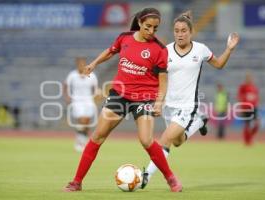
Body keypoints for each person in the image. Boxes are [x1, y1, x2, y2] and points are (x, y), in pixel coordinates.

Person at [63, 8, 182, 192]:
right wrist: (94, 64)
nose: (151, 31)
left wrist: (159, 102)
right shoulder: (124, 38)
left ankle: (171, 179)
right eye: (148, 27)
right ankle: (76, 182)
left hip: (144, 98)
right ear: (140, 23)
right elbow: (110, 51)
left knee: (146, 140)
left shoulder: (159, 50)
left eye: (155, 28)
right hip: (119, 95)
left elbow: (163, 80)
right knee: (97, 136)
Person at [142, 10, 240, 188]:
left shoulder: (200, 49)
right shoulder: (165, 51)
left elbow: (218, 64)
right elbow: (158, 78)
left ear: (191, 32)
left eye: (183, 31)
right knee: (178, 141)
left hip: (188, 106)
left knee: (164, 141)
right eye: (177, 30)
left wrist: (229, 49)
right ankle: (200, 122)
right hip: (168, 106)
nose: (180, 34)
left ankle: (145, 175)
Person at [63, 57, 100, 152]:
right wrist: (67, 97)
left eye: (83, 64)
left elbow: (95, 89)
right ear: (77, 64)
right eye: (80, 64)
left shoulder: (92, 75)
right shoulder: (72, 75)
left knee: (87, 122)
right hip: (77, 101)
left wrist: (96, 97)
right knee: (82, 120)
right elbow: (65, 85)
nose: (81, 66)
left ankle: (82, 141)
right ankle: (81, 142)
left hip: (88, 101)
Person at [237, 72, 260, 146]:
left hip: (254, 108)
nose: (249, 79)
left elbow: (256, 97)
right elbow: (240, 97)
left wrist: (257, 104)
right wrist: (242, 107)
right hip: (246, 108)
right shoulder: (243, 87)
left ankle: (250, 137)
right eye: (248, 78)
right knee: (247, 125)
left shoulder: (254, 87)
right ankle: (247, 141)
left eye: (250, 78)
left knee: (257, 124)